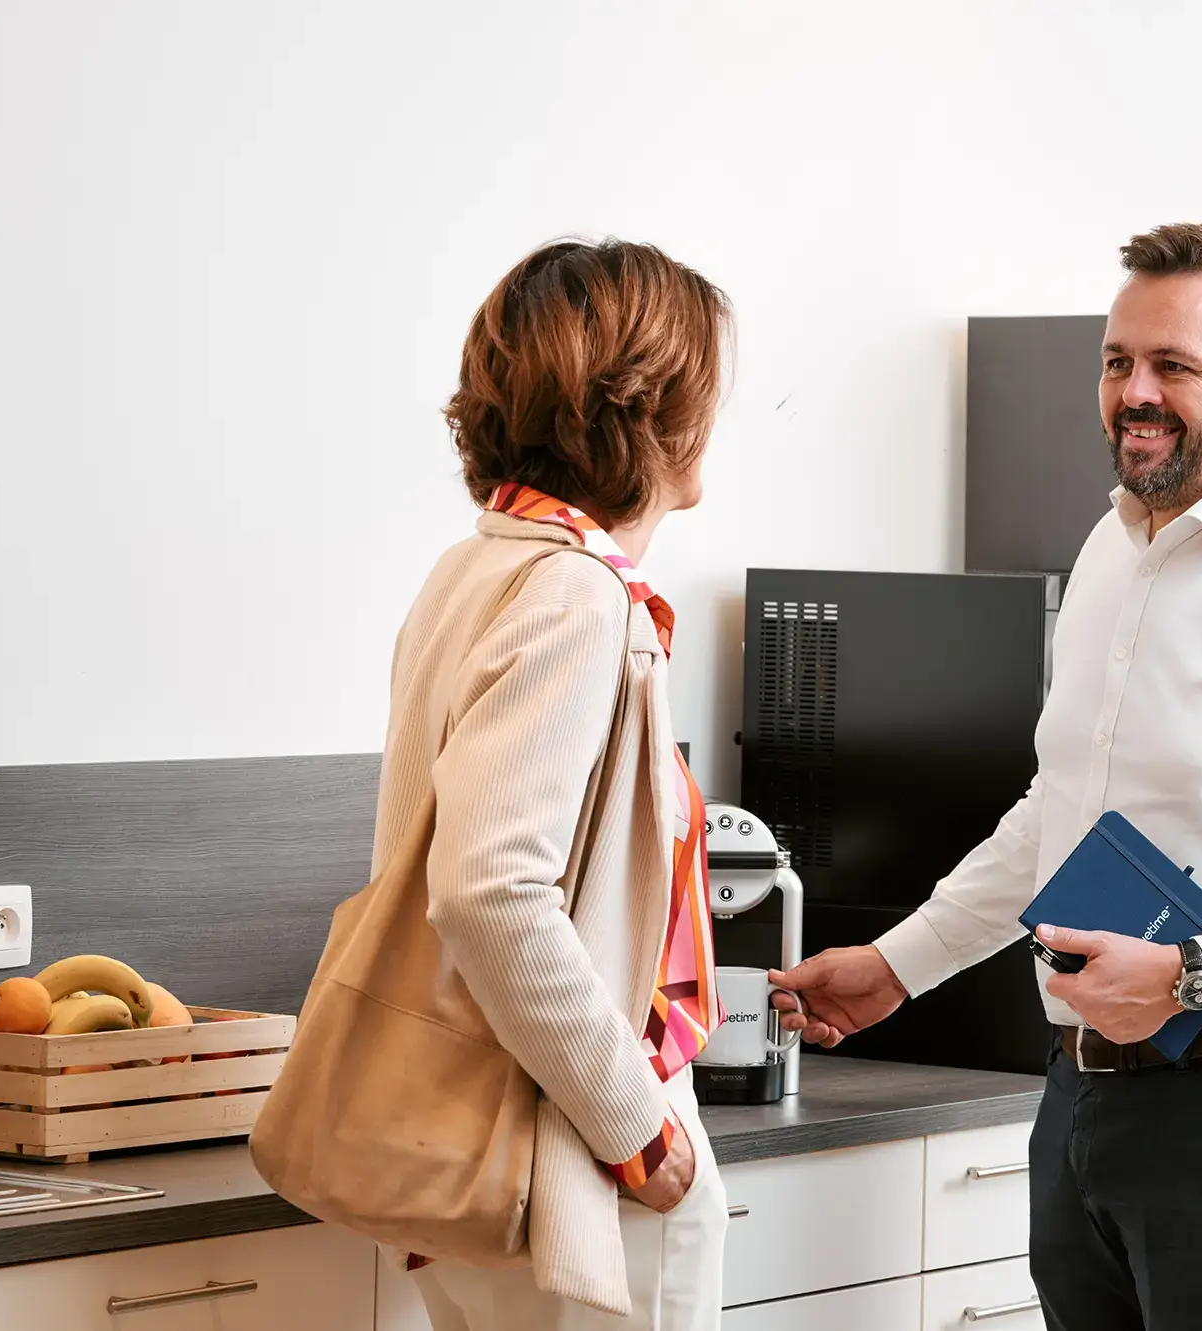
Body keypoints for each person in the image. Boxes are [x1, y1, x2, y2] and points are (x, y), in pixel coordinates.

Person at [772, 222, 1202, 1331]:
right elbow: (1057, 814)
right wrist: (898, 966)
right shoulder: (1110, 548)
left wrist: (1190, 972)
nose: (1135, 390)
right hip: (1085, 1088)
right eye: (1116, 359)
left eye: (1174, 365)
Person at [376, 238, 733, 1330]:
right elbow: (489, 892)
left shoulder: (477, 565)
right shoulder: (574, 596)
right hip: (575, 1140)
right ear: (653, 404)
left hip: (483, 1127)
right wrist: (638, 1124)